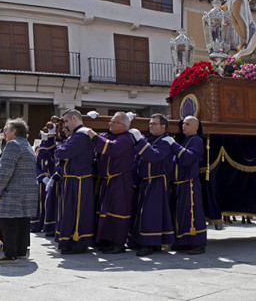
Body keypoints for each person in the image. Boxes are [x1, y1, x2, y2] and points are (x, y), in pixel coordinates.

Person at [86, 112, 135, 254]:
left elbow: (111, 148)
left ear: (123, 125)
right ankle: (106, 240)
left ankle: (118, 243)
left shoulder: (126, 138)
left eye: (113, 122)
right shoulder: (111, 135)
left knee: (117, 211)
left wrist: (92, 134)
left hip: (120, 180)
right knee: (105, 211)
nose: (110, 124)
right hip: (107, 181)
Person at [0, 118, 37, 264]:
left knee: (7, 220)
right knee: (22, 220)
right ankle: (20, 251)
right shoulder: (27, 145)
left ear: (14, 131)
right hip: (27, 191)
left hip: (15, 191)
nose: (4, 132)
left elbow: (5, 171)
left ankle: (10, 254)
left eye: (6, 129)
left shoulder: (13, 145)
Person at [52, 108, 97, 255]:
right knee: (69, 211)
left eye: (66, 121)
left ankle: (78, 242)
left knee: (78, 211)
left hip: (79, 181)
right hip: (72, 180)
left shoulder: (81, 135)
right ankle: (68, 241)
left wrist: (59, 148)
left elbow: (62, 152)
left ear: (74, 119)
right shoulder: (76, 135)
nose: (64, 126)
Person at [131, 114, 175, 255]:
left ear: (163, 127)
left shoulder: (166, 141)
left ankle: (150, 244)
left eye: (154, 124)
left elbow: (154, 157)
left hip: (157, 181)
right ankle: (142, 241)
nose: (151, 126)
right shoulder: (151, 139)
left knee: (151, 213)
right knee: (142, 212)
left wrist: (139, 140)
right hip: (145, 181)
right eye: (150, 123)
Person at [172, 116, 207, 254]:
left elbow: (188, 158)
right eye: (184, 124)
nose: (184, 126)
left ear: (196, 127)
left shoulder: (196, 140)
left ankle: (198, 243)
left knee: (193, 213)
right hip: (180, 184)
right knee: (182, 214)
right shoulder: (185, 140)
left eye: (188, 124)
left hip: (189, 183)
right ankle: (184, 241)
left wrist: (173, 145)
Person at [35, 118, 60, 235]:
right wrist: (41, 177)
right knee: (41, 204)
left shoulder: (56, 147)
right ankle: (38, 225)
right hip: (43, 181)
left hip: (54, 180)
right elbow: (37, 165)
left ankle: (51, 227)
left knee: (52, 204)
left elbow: (52, 158)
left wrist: (53, 177)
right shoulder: (42, 149)